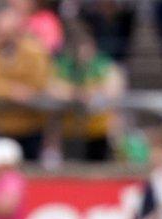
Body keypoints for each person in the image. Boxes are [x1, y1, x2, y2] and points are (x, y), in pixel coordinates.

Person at [0, 7, 52, 162]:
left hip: (30, 125)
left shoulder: (34, 50)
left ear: (17, 31)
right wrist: (10, 90)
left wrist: (23, 91)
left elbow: (40, 82)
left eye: (5, 33)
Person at [49, 24, 127, 162]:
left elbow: (114, 88)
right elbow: (53, 88)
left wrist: (92, 92)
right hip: (70, 130)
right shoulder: (64, 66)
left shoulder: (103, 65)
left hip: (98, 129)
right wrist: (77, 93)